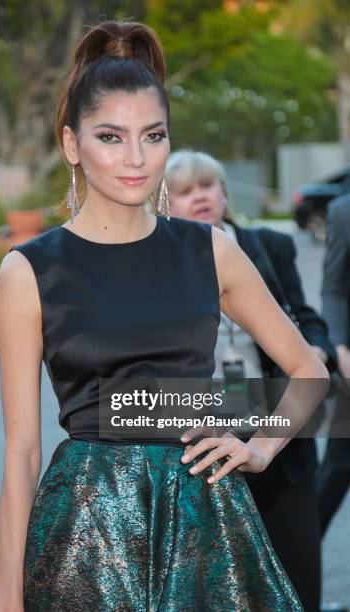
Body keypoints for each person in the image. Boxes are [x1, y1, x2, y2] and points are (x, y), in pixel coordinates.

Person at [0, 21, 328, 612]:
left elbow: (308, 369)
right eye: (111, 137)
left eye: (153, 135)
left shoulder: (211, 250)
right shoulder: (27, 271)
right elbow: (21, 450)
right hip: (85, 532)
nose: (136, 158)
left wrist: (260, 448)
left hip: (205, 523)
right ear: (72, 145)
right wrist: (6, 591)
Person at [165, 149, 337, 612]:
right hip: (206, 430)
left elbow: (305, 317)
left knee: (296, 571)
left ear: (224, 191)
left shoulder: (269, 247)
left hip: (277, 422)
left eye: (207, 185)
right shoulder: (162, 260)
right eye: (185, 191)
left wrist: (313, 351)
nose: (200, 197)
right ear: (166, 203)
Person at [318, 194, 350, 536]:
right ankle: (298, 574)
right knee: (338, 468)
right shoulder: (343, 212)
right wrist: (339, 346)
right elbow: (334, 287)